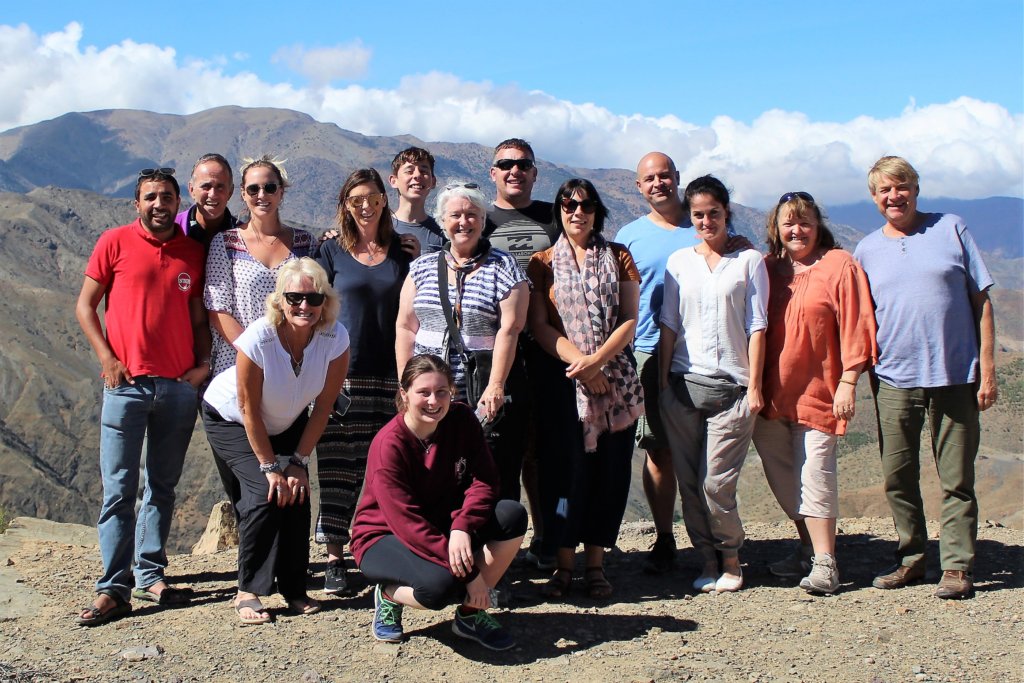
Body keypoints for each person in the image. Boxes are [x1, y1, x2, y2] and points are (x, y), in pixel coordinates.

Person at [854, 156, 997, 600]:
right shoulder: (866, 250)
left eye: (901, 187)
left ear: (915, 189)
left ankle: (955, 566)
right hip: (894, 378)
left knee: (956, 477)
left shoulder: (951, 227)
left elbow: (982, 301)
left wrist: (987, 369)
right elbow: (860, 318)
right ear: (874, 197)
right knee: (898, 475)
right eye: (884, 190)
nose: (893, 196)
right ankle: (911, 558)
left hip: (955, 375)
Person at [74, 167, 210, 625]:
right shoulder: (113, 242)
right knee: (119, 489)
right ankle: (114, 587)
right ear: (137, 203)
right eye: (151, 197)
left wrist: (201, 367)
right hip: (125, 386)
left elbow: (198, 319)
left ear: (178, 203)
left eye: (167, 197)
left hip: (176, 388)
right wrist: (108, 359)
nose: (159, 204)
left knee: (163, 486)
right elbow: (85, 305)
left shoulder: (191, 251)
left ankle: (151, 573)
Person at [202, 258, 350, 623]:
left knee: (297, 492)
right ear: (280, 300)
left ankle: (294, 589)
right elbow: (247, 408)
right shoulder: (258, 339)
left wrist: (298, 462)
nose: (305, 306)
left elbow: (324, 407)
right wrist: (271, 468)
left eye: (313, 298)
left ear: (325, 302)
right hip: (232, 419)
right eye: (295, 297)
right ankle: (248, 590)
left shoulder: (335, 337)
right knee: (263, 494)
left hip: (288, 421)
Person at [350, 354, 526, 650]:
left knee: (512, 515)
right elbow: (408, 524)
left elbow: (485, 481)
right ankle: (390, 595)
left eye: (441, 392)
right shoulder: (388, 446)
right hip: (384, 535)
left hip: (443, 523)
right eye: (424, 392)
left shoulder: (461, 420)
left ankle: (470, 615)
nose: (434, 401)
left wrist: (462, 526)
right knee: (441, 587)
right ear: (404, 396)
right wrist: (471, 576)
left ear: (451, 393)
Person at [752, 191, 877, 594]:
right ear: (776, 228)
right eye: (789, 223)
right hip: (771, 395)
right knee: (783, 477)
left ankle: (826, 564)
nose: (797, 230)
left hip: (821, 392)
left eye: (804, 221)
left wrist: (849, 381)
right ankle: (806, 548)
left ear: (818, 224)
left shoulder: (839, 266)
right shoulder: (768, 268)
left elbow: (858, 324)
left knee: (816, 473)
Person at [527, 178, 643, 600]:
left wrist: (598, 362)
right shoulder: (542, 262)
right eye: (569, 205)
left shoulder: (619, 257)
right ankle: (563, 565)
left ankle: (596, 564)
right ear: (558, 210)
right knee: (563, 474)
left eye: (587, 205)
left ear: (598, 211)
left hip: (615, 382)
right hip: (564, 385)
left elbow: (629, 318)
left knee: (609, 474)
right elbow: (540, 325)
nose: (578, 212)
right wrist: (581, 364)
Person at [659, 175, 768, 593]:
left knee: (715, 482)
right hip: (684, 384)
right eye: (699, 215)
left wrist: (755, 387)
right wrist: (665, 386)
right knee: (689, 482)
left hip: (733, 388)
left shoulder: (748, 261)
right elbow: (669, 323)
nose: (707, 221)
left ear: (727, 213)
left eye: (714, 213)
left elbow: (758, 326)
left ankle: (732, 557)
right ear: (691, 217)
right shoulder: (679, 262)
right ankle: (705, 559)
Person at [314, 168, 419, 596]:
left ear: (383, 201)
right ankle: (335, 559)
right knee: (339, 467)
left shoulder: (402, 253)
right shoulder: (330, 252)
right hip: (342, 374)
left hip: (393, 374)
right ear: (345, 203)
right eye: (356, 198)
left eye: (373, 197)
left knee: (388, 469)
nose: (365, 205)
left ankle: (383, 551)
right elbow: (315, 309)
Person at [395, 181, 530, 503]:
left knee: (488, 471)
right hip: (429, 393)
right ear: (443, 221)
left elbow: (509, 330)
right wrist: (406, 385)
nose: (464, 222)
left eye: (472, 214)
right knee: (432, 469)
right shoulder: (422, 268)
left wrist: (496, 385)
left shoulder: (505, 267)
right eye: (456, 215)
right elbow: (405, 328)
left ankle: (491, 548)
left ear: (483, 221)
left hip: (480, 390)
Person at [485, 137, 559, 569]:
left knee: (543, 449)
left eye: (523, 164)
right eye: (506, 164)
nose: (515, 170)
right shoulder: (481, 217)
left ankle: (547, 539)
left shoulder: (554, 217)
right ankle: (503, 543)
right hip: (494, 352)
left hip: (548, 347)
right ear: (492, 172)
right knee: (502, 449)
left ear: (534, 172)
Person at [204, 155, 316, 377]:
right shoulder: (225, 244)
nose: (262, 195)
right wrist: (255, 354)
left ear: (281, 192)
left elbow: (314, 304)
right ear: (243, 194)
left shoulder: (306, 244)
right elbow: (218, 310)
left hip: (291, 367)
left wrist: (283, 357)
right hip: (236, 366)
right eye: (254, 189)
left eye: (270, 187)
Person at [390, 146, 446, 253]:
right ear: (394, 181)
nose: (417, 175)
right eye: (409, 171)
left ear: (433, 182)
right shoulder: (379, 228)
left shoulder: (443, 232)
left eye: (423, 171)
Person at [174, 153, 238, 247]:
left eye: (220, 187)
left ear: (230, 192)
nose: (212, 195)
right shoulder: (171, 230)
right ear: (191, 190)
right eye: (206, 186)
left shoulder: (244, 237)